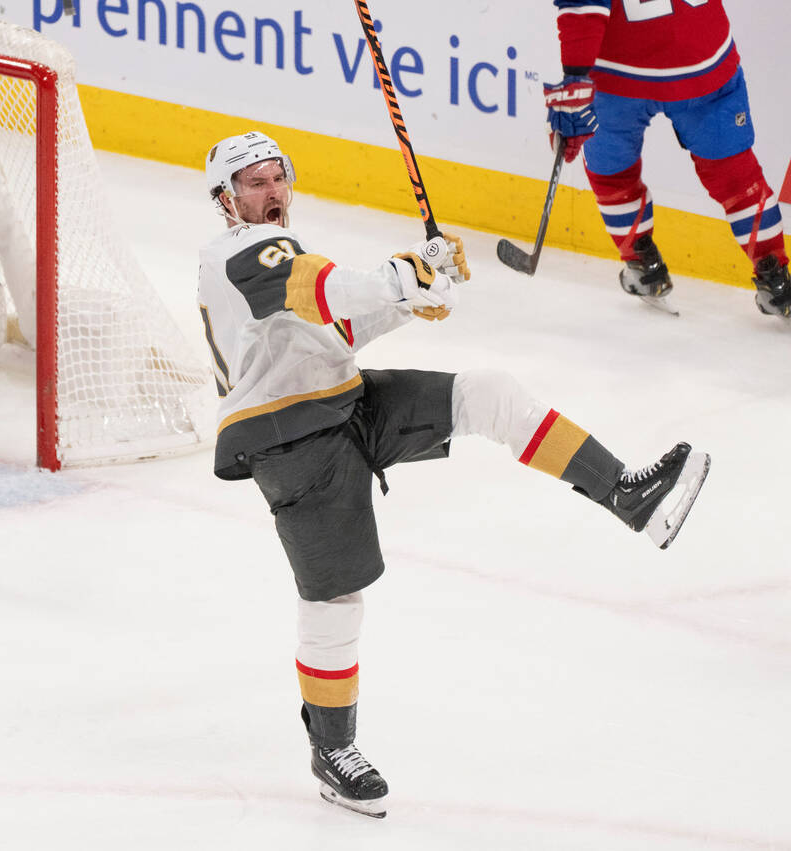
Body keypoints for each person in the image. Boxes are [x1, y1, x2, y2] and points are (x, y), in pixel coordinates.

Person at [196, 130, 711, 818]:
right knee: (335, 598)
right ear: (225, 199)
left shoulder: (282, 252)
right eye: (252, 183)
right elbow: (319, 286)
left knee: (489, 391)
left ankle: (629, 495)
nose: (270, 192)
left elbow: (336, 328)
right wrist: (395, 276)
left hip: (348, 401)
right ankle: (332, 747)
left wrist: (415, 295)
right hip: (287, 435)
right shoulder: (237, 252)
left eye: (275, 177)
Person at [545, 0, 790, 320]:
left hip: (620, 77)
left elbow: (582, 5)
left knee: (611, 172)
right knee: (736, 177)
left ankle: (642, 264)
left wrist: (574, 83)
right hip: (704, 64)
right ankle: (774, 275)